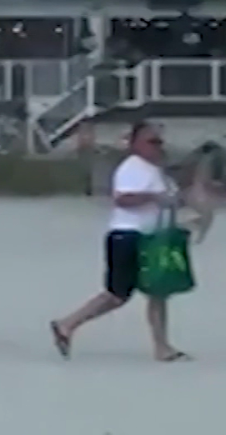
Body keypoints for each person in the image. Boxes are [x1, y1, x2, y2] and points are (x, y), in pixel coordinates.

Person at [49, 122, 190, 361]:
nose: (157, 147)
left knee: (158, 291)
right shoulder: (131, 168)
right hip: (126, 236)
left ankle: (162, 347)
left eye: (159, 142)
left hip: (150, 238)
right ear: (135, 144)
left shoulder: (155, 170)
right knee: (117, 295)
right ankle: (67, 324)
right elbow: (123, 199)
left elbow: (173, 199)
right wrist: (154, 197)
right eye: (151, 142)